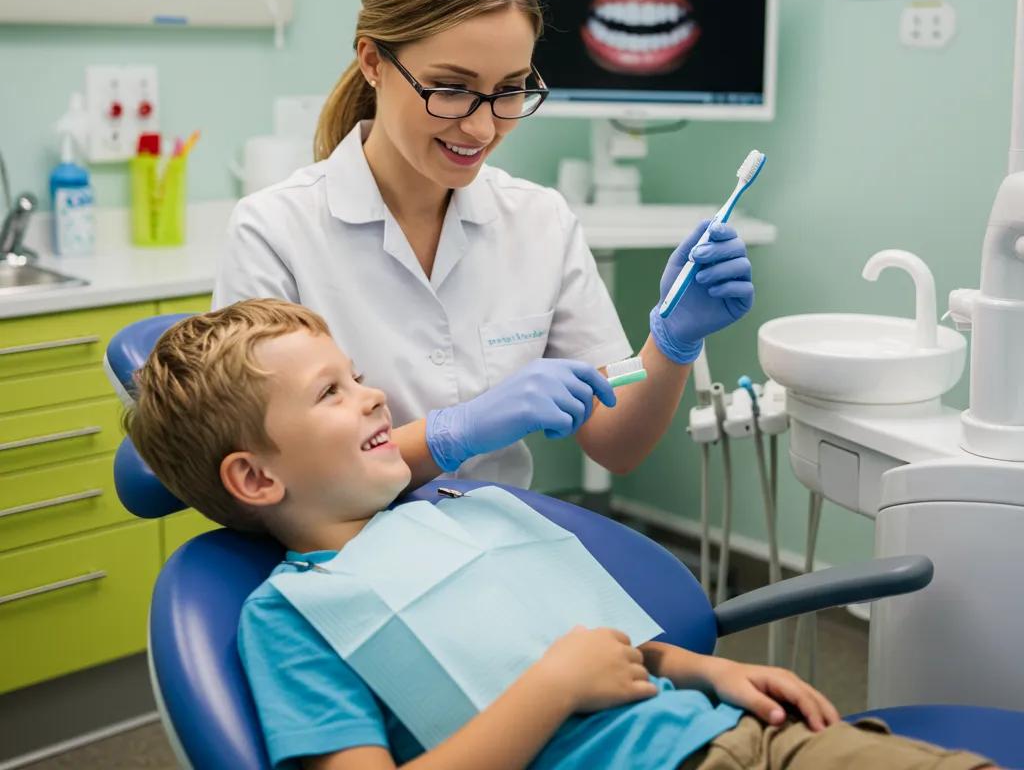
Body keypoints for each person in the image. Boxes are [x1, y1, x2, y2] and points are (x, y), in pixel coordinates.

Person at [125, 299, 994, 770]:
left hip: (746, 736)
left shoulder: (460, 517)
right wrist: (551, 689)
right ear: (255, 478)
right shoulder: (295, 616)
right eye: (331, 393)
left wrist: (705, 667)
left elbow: (591, 646)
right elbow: (559, 670)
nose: (374, 394)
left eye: (357, 375)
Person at [214, 0, 754, 490]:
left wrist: (670, 343)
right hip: (345, 553)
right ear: (373, 62)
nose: (481, 125)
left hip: (499, 545)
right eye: (450, 88)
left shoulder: (539, 222)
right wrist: (454, 432)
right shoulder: (274, 233)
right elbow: (276, 473)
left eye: (511, 89)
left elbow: (615, 437)